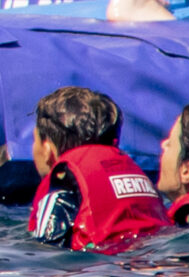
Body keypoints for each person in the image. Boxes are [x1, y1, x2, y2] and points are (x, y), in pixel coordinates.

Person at [27, 85, 170, 252]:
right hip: (152, 254)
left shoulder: (64, 178)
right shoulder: (129, 169)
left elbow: (47, 246)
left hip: (100, 266)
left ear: (47, 150)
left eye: (34, 139)